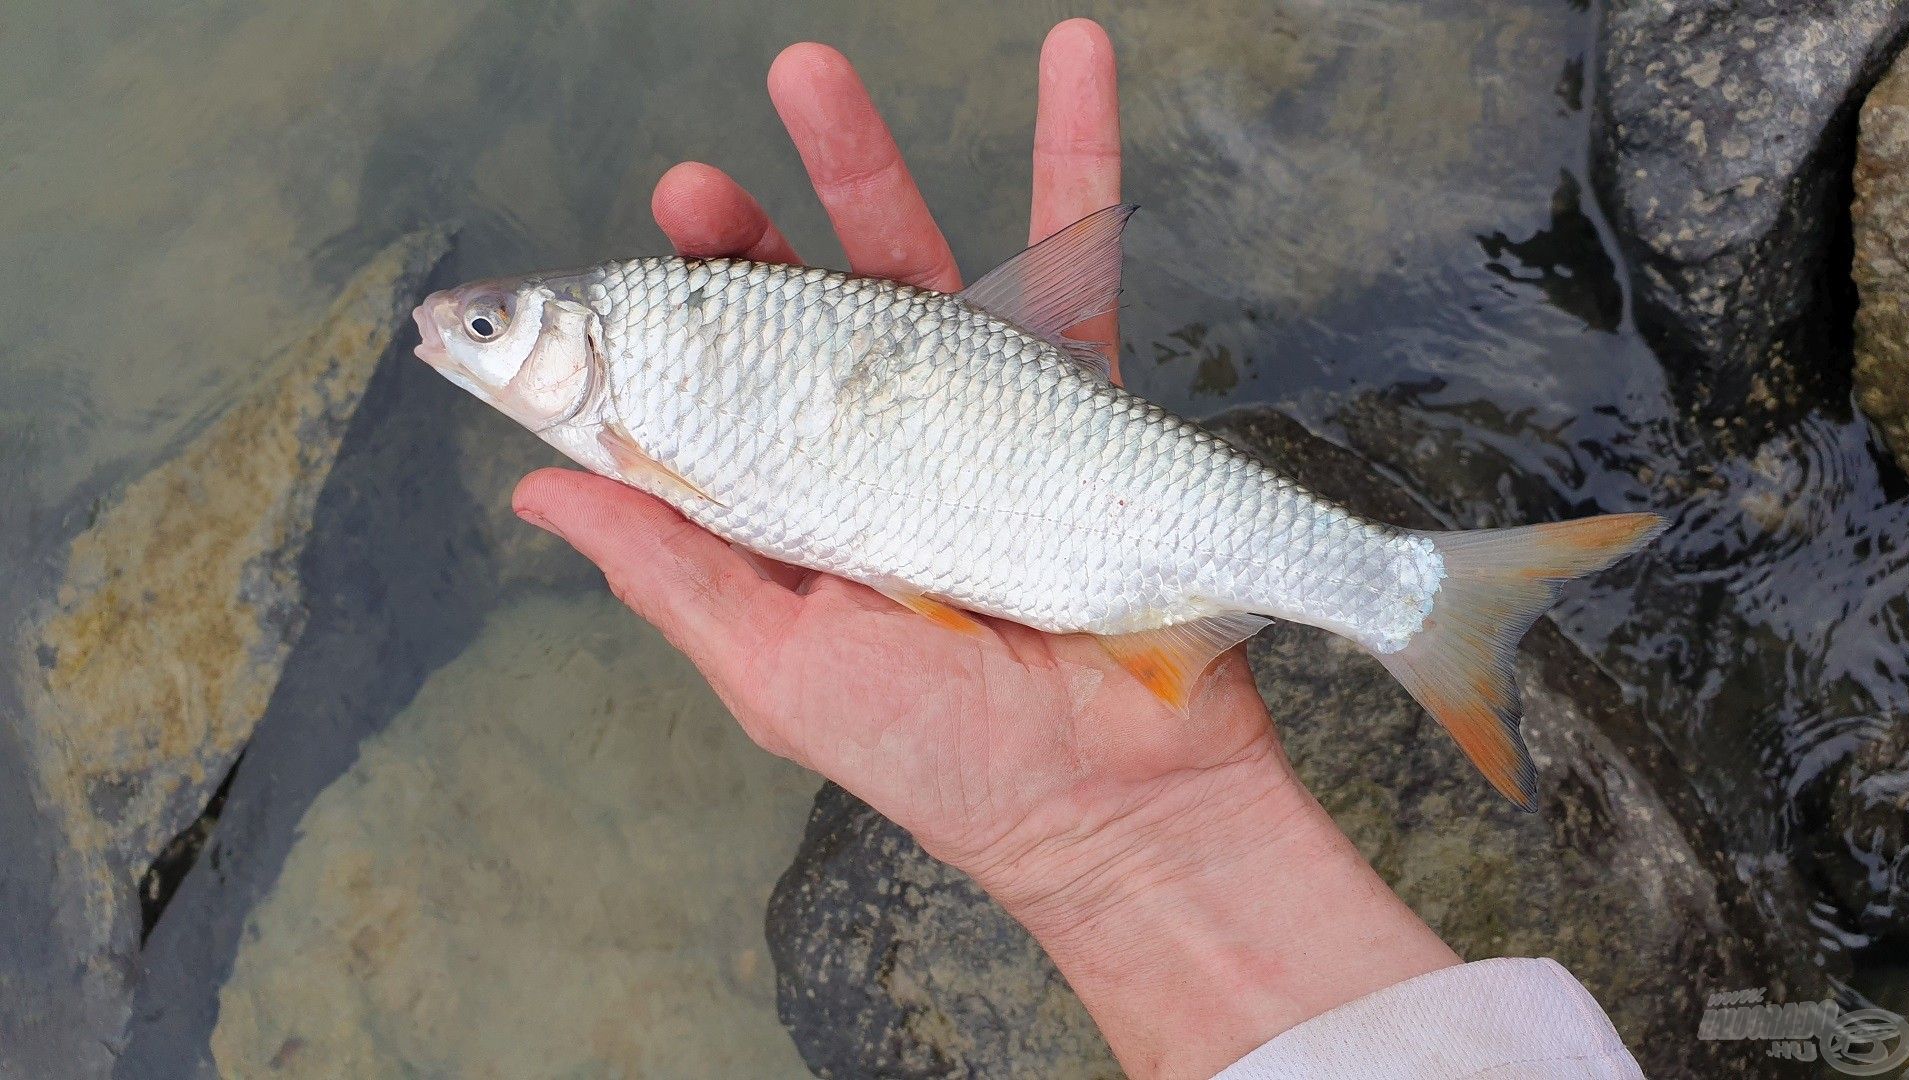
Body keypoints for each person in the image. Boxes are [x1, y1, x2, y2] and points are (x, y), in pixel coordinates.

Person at [511, 19, 1645, 1080]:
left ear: (580, 338)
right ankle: (1423, 602)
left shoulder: (629, 383)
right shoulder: (640, 370)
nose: (463, 337)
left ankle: (1423, 603)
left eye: (490, 329)